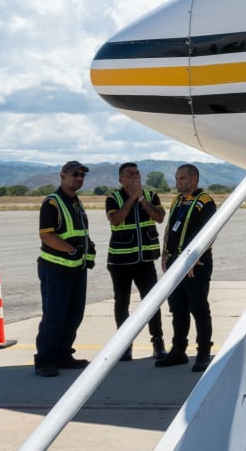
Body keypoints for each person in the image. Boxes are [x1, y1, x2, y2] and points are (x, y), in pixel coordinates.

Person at [34, 160, 96, 377]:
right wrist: (70, 250)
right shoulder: (52, 203)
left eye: (82, 175)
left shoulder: (76, 202)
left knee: (74, 314)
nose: (79, 178)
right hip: (56, 269)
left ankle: (63, 354)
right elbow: (47, 234)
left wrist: (89, 252)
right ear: (62, 175)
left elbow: (80, 234)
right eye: (75, 174)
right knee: (54, 315)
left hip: (76, 270)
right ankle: (45, 360)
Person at [156, 164, 217, 372]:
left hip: (195, 264)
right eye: (176, 178)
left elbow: (210, 232)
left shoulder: (204, 202)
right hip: (175, 262)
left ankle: (203, 352)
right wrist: (165, 253)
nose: (178, 182)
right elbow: (169, 228)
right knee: (177, 308)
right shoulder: (178, 200)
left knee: (198, 308)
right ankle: (178, 350)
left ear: (194, 179)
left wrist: (194, 257)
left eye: (182, 178)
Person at [105, 162, 167, 361]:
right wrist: (131, 199)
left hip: (145, 261)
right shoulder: (113, 198)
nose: (134, 177)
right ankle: (124, 346)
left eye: (136, 173)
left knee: (151, 302)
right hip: (121, 262)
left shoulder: (150, 196)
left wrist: (141, 199)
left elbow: (159, 217)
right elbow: (116, 219)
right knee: (121, 303)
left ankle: (158, 344)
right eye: (129, 174)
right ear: (120, 179)